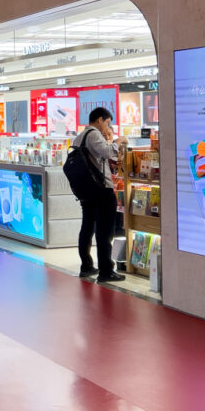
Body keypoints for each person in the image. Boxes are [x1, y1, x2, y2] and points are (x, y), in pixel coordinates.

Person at [73, 107, 128, 282]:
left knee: (87, 227)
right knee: (105, 231)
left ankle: (87, 265)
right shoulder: (94, 133)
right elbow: (107, 152)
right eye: (107, 122)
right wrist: (118, 142)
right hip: (101, 189)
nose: (107, 127)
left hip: (85, 190)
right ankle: (106, 270)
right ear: (99, 120)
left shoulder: (79, 137)